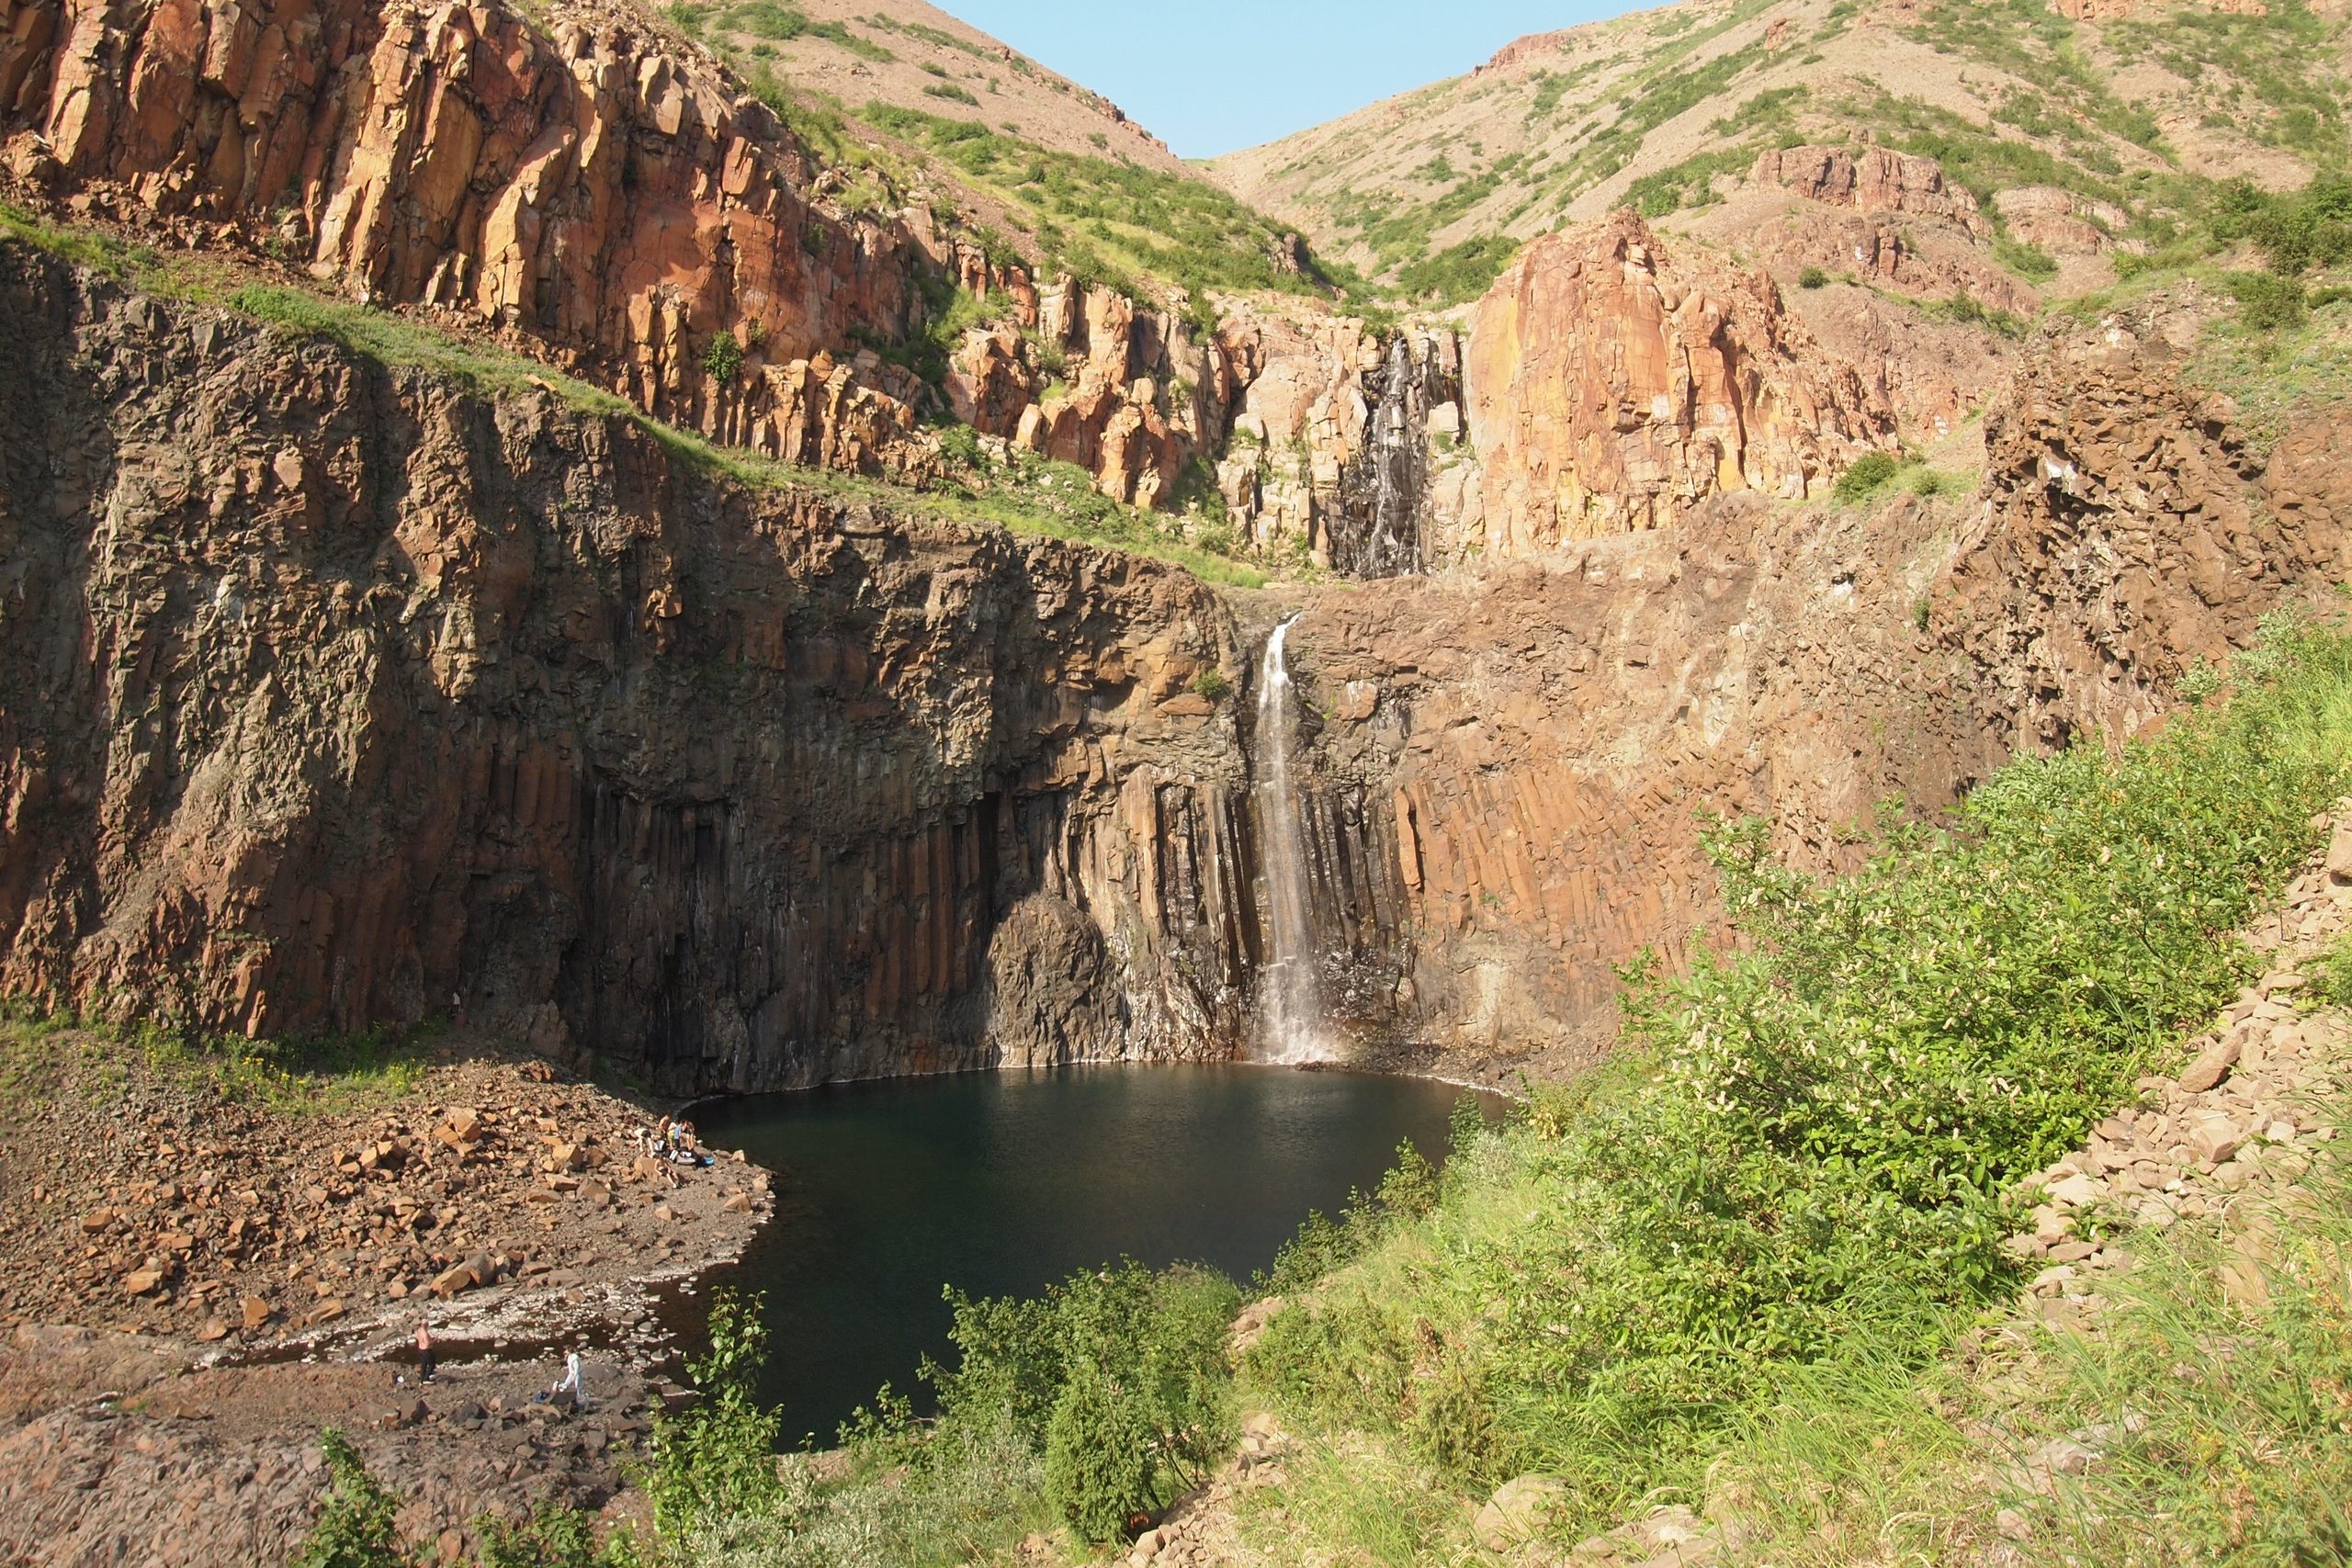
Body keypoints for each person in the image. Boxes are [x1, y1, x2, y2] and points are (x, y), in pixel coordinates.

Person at [415, 1317, 435, 1383]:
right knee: (432, 1364)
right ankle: (426, 1379)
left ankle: (421, 1379)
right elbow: (427, 1345)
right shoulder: (425, 1333)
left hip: (420, 1349)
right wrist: (434, 1341)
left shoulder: (419, 1330)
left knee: (423, 1364)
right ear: (426, 1324)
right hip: (426, 1350)